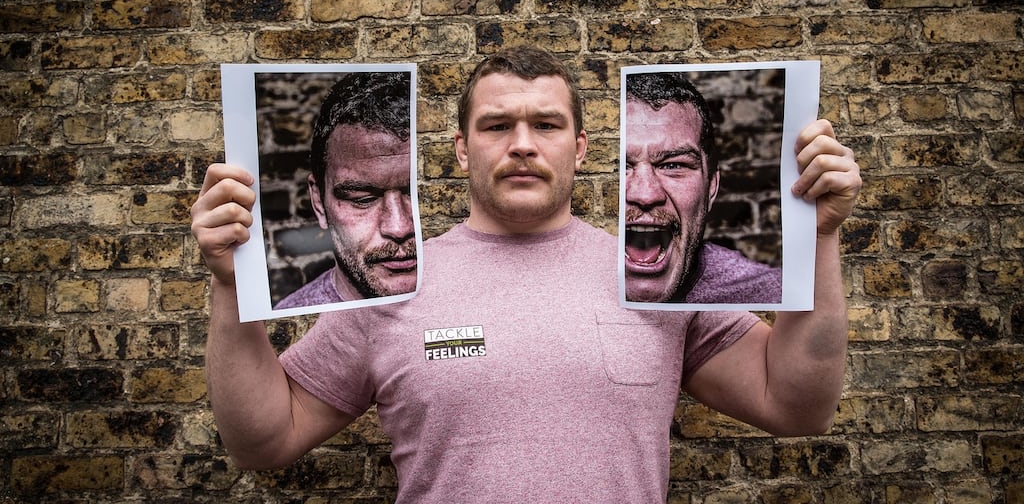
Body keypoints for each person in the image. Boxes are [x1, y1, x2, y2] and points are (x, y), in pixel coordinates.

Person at [190, 46, 861, 503]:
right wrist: (229, 285)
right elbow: (263, 440)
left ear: (581, 148)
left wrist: (819, 237)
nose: (521, 143)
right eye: (496, 125)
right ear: (459, 150)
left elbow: (795, 403)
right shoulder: (394, 280)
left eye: (546, 123)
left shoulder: (656, 276)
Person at [623, 71, 781, 304]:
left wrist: (826, 232)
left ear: (711, 188)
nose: (645, 195)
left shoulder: (769, 293)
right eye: (621, 167)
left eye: (673, 165)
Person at [274, 71, 417, 310]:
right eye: (363, 200)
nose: (399, 227)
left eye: (416, 194)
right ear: (319, 203)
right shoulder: (285, 327)